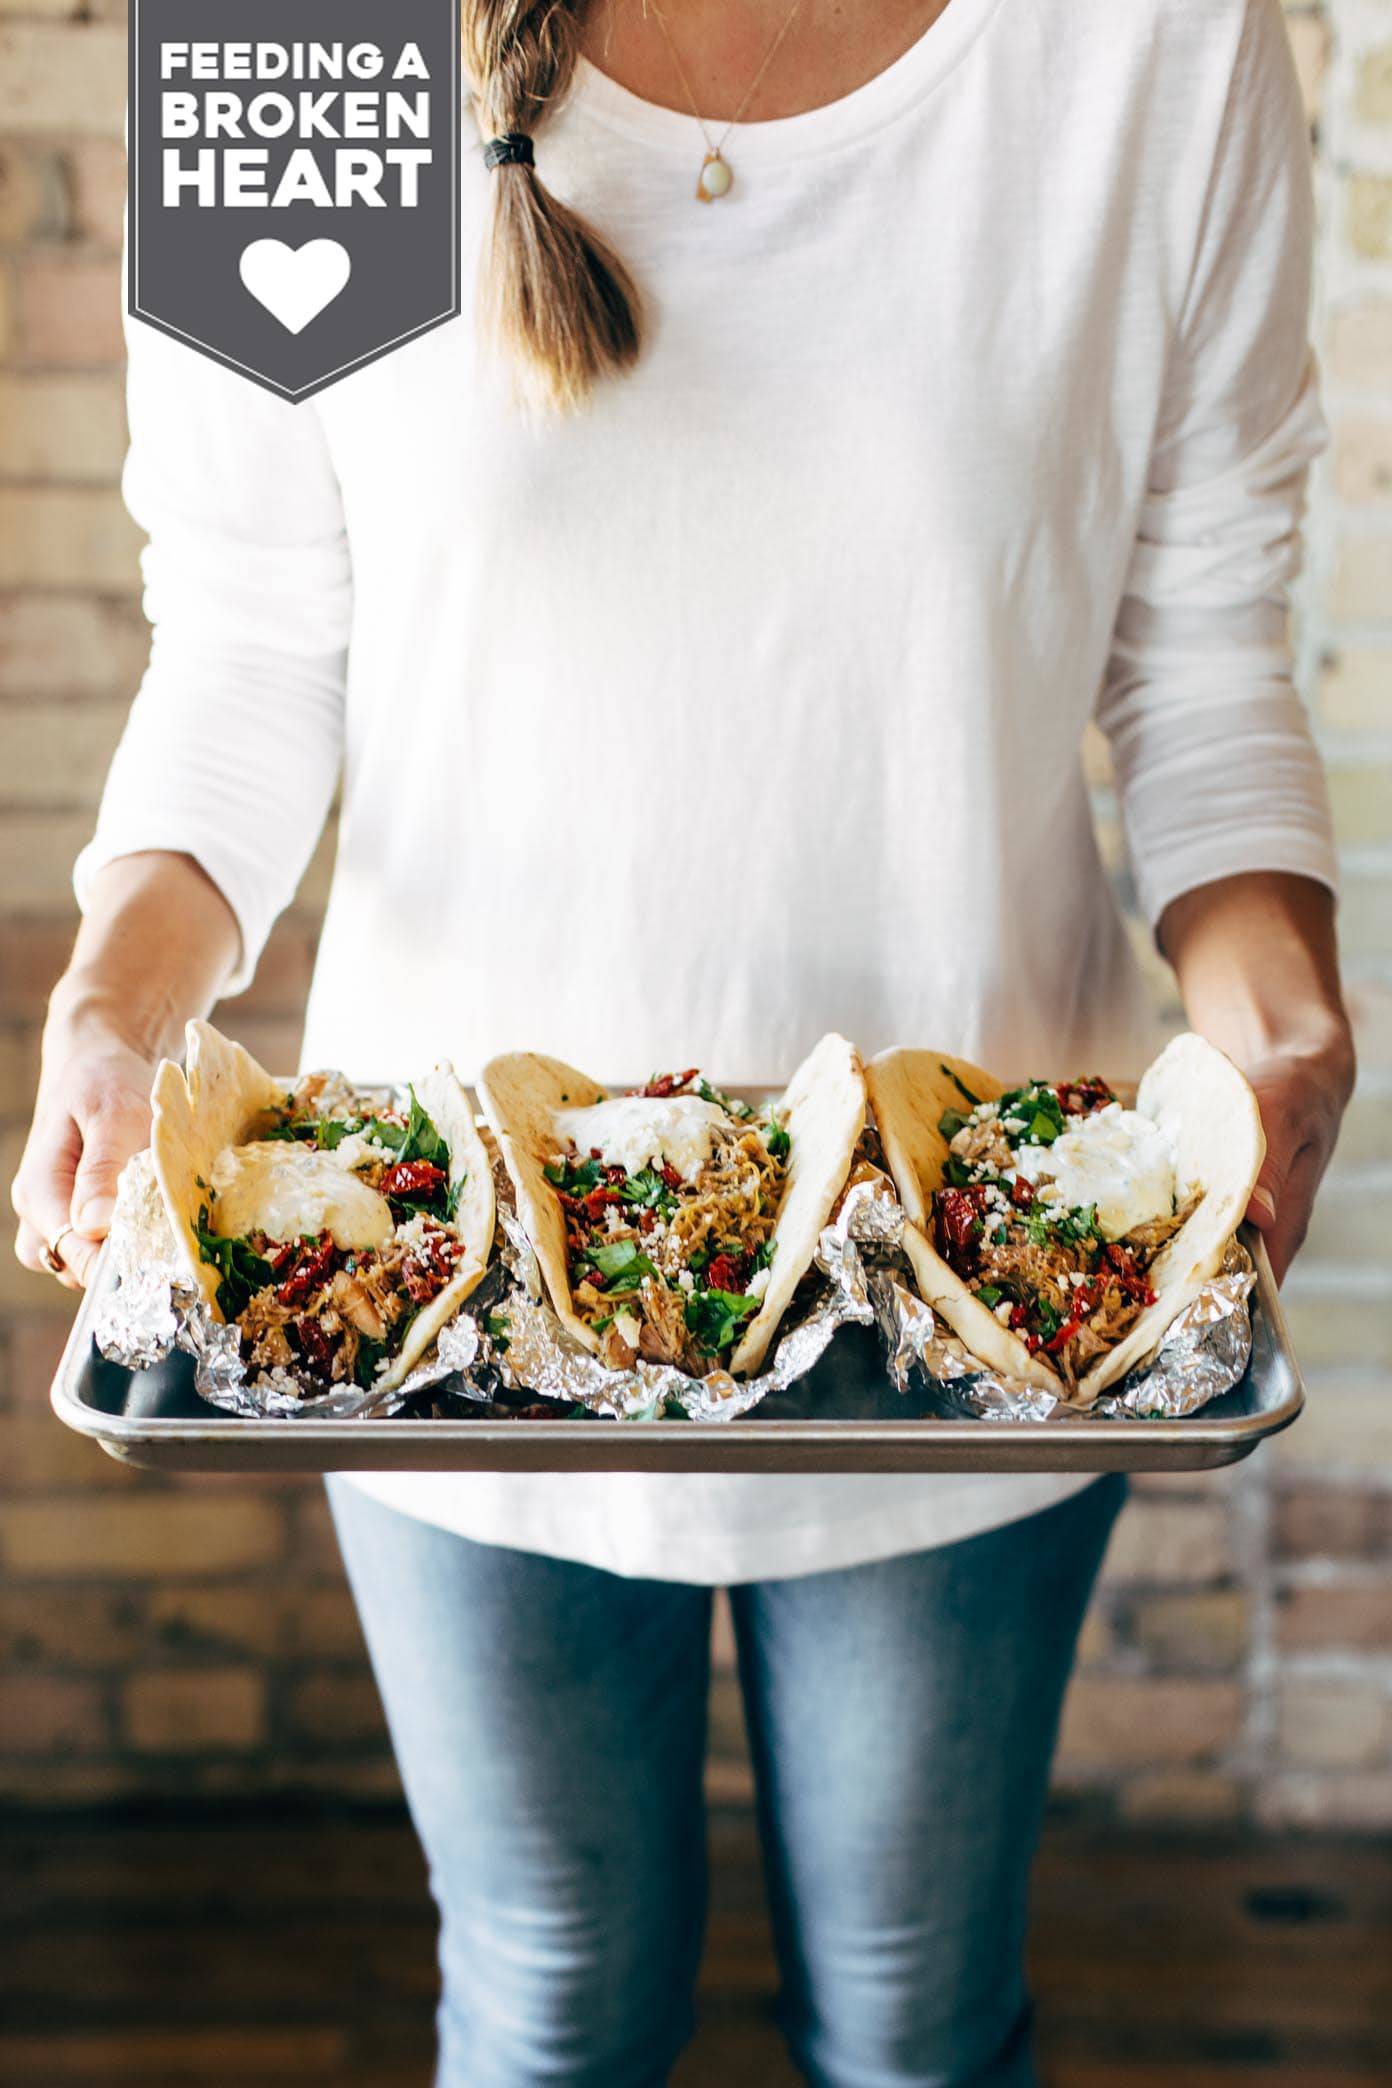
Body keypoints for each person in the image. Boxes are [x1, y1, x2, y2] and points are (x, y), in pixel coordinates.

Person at [13, 3, 1355, 2082]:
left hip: (975, 1283)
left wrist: (1281, 1031)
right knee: (549, 1998)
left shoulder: (1150, 42)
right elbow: (254, 644)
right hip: (432, 1280)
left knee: (915, 2022)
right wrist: (112, 1009)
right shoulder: (295, 25)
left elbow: (1195, 649)